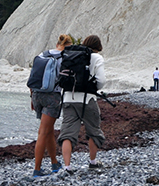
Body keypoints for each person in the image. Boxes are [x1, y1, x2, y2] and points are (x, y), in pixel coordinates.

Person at [58, 35, 107, 173]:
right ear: (98, 47)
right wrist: (93, 88)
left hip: (68, 98)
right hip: (87, 99)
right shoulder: (96, 57)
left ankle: (67, 166)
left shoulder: (70, 54)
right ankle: (92, 162)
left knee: (67, 133)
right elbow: (101, 80)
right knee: (93, 130)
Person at [28, 34, 73, 177]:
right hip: (52, 96)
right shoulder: (64, 58)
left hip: (36, 94)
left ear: (57, 43)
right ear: (69, 46)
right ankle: (37, 169)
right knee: (43, 132)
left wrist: (32, 97)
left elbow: (33, 76)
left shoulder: (43, 54)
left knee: (48, 130)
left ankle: (54, 163)